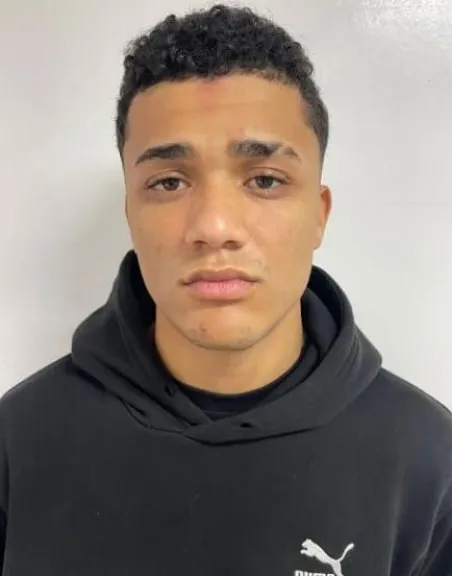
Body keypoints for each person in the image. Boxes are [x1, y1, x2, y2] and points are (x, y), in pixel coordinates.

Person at [0, 4, 450, 575]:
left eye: (264, 179)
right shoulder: (18, 440)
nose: (214, 227)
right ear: (130, 212)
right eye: (169, 182)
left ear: (319, 214)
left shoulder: (428, 459)